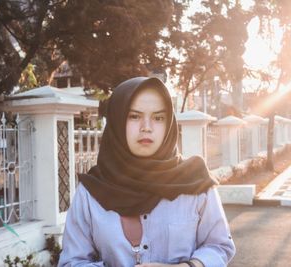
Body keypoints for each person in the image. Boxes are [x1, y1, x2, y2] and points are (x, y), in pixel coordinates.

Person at [58, 77, 235, 267]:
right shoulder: (91, 191)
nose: (146, 127)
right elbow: (71, 262)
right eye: (134, 116)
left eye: (158, 118)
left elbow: (220, 246)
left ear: (169, 123)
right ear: (117, 120)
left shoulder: (195, 181)